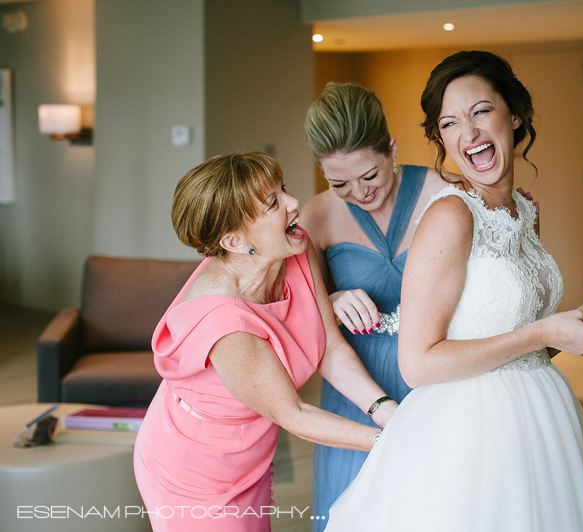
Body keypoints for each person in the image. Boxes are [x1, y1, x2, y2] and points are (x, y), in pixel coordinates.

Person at [325, 51, 583, 531]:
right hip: (471, 434)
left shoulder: (525, 213)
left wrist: (575, 324)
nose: (468, 133)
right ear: (441, 138)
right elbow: (418, 364)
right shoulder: (451, 216)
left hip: (541, 419)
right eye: (449, 123)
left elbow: (515, 345)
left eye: (481, 111)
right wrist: (543, 331)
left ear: (515, 114)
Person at [133, 152, 398, 532]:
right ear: (235, 241)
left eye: (283, 189)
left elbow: (330, 347)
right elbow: (294, 414)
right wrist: (392, 440)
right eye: (273, 203)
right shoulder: (225, 323)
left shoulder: (293, 247)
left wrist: (384, 409)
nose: (293, 203)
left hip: (251, 450)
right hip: (193, 469)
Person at [298, 82, 450, 528]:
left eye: (370, 176)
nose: (360, 193)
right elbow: (306, 313)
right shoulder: (318, 216)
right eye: (339, 182)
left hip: (434, 381)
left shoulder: (445, 194)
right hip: (356, 388)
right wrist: (332, 296)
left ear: (391, 149)